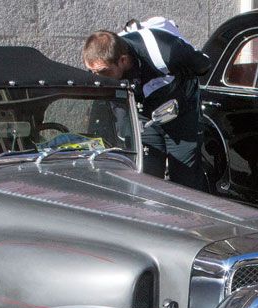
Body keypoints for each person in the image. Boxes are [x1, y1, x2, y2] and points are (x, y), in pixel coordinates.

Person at [82, 23, 211, 190]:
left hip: (180, 112)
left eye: (103, 72)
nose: (97, 78)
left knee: (184, 177)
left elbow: (203, 64)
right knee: (146, 175)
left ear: (123, 60)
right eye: (92, 72)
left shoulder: (163, 51)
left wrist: (182, 75)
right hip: (145, 114)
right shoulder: (108, 61)